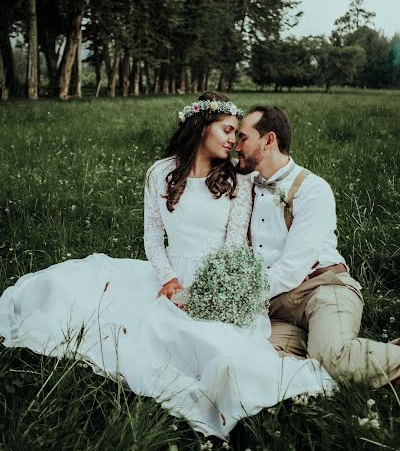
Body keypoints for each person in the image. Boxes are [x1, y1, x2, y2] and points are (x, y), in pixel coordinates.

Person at [0, 93, 334, 440]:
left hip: (215, 280)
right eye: (227, 130)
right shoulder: (160, 173)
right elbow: (152, 236)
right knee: (72, 292)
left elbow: (234, 244)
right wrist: (169, 278)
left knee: (212, 347)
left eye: (237, 133)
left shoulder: (237, 179)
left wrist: (207, 291)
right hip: (168, 274)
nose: (233, 141)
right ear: (202, 126)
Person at [236, 104, 400, 387]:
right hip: (277, 307)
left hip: (323, 289)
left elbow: (291, 269)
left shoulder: (313, 189)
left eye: (243, 138)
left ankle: (347, 357)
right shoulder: (244, 185)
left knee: (332, 358)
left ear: (268, 140)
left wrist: (241, 294)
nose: (236, 146)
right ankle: (376, 364)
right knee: (252, 362)